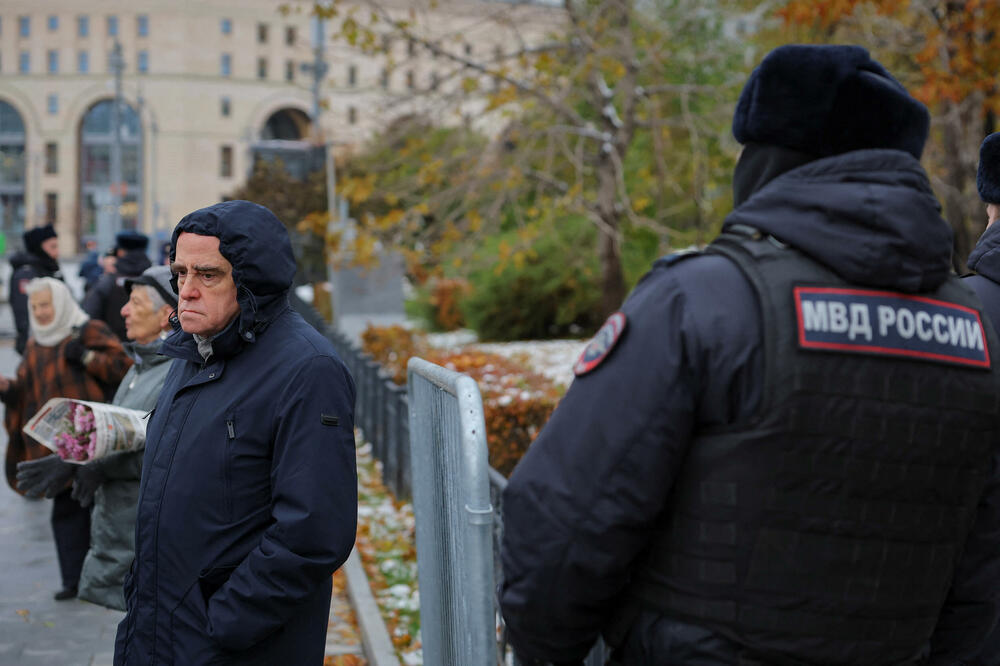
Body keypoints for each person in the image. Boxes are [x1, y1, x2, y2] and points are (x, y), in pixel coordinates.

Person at [499, 44, 1000, 665]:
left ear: (769, 159)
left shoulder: (703, 301)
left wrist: (548, 649)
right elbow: (982, 579)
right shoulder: (976, 331)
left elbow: (560, 526)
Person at [114, 200, 357, 664]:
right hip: (158, 632)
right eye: (180, 272)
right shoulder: (193, 351)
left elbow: (313, 531)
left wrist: (224, 620)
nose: (186, 291)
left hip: (232, 645)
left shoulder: (308, 369)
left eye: (208, 275)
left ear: (251, 282)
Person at [17, 265, 178, 610]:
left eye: (134, 302)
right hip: (124, 544)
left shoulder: (172, 372)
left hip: (148, 548)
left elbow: (167, 450)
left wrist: (94, 466)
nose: (123, 310)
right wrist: (71, 458)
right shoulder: (144, 365)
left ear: (167, 314)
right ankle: (71, 579)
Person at [3, 278, 132, 600]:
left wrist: (87, 358)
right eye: (34, 307)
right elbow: (26, 389)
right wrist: (7, 389)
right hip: (57, 446)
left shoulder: (86, 330)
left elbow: (124, 368)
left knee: (98, 508)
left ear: (59, 302)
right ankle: (73, 580)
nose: (41, 312)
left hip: (93, 438)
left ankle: (112, 575)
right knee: (66, 511)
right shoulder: (36, 342)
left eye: (45, 305)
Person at [83, 230, 152, 341]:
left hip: (114, 351)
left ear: (120, 252)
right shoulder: (154, 281)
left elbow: (89, 319)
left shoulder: (107, 283)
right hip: (151, 351)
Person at [9, 224, 63, 355]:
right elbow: (24, 315)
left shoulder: (48, 269)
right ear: (39, 247)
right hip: (39, 345)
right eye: (52, 247)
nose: (57, 252)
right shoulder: (27, 274)